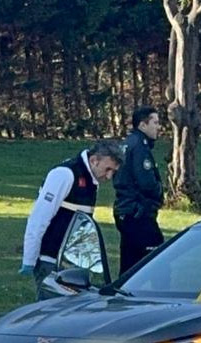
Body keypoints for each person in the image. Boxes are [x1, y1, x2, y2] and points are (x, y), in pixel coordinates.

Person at [20, 140, 123, 298]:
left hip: (70, 261)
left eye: (113, 172)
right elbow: (39, 218)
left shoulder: (91, 180)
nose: (109, 176)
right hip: (51, 259)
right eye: (107, 169)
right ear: (94, 160)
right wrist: (29, 259)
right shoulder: (65, 174)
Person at [113, 106, 164, 275]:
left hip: (125, 210)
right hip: (138, 212)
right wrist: (159, 192)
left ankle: (123, 290)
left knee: (129, 262)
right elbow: (146, 182)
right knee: (158, 261)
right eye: (155, 123)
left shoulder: (127, 144)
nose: (158, 127)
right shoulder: (140, 147)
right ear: (143, 125)